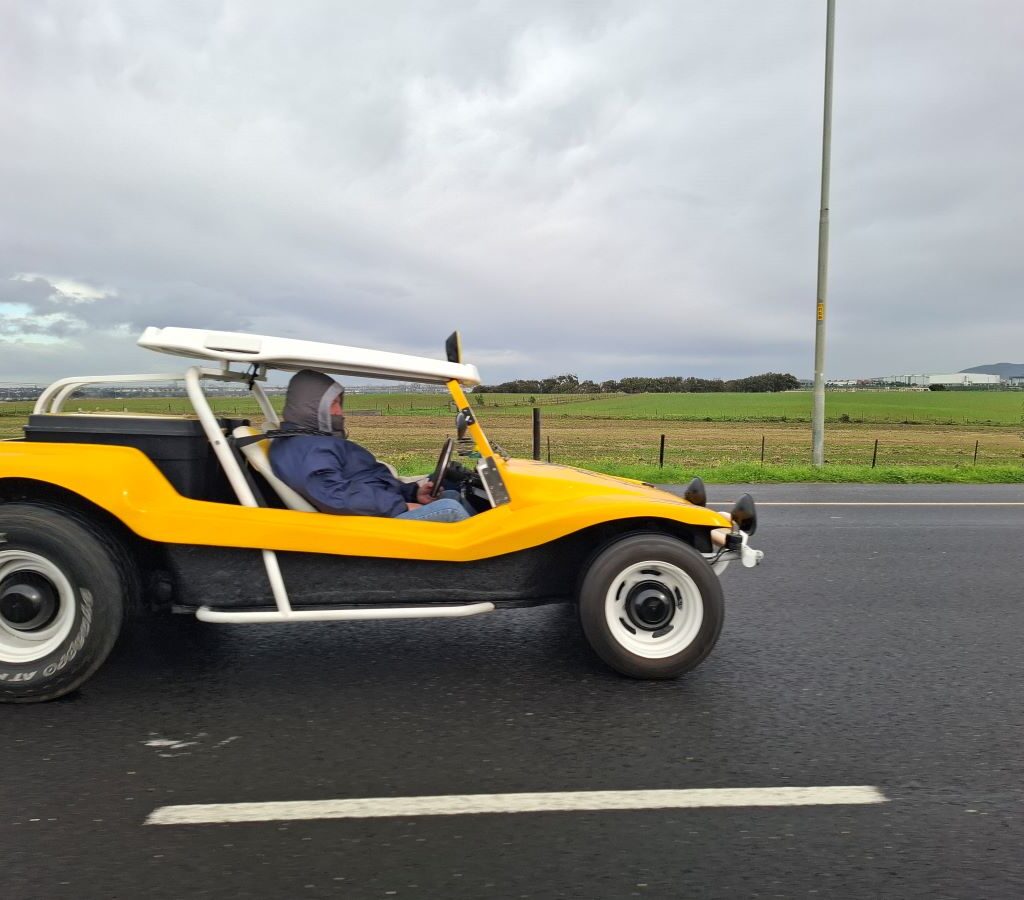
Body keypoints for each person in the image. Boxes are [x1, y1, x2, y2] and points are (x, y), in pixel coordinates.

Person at [269, 369, 470, 522]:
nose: (340, 412)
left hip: (377, 510)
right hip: (371, 524)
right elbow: (334, 495)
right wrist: (398, 506)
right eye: (333, 403)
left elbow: (365, 480)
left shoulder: (309, 441)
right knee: (450, 509)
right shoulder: (307, 448)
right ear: (312, 407)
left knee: (451, 494)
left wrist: (413, 493)